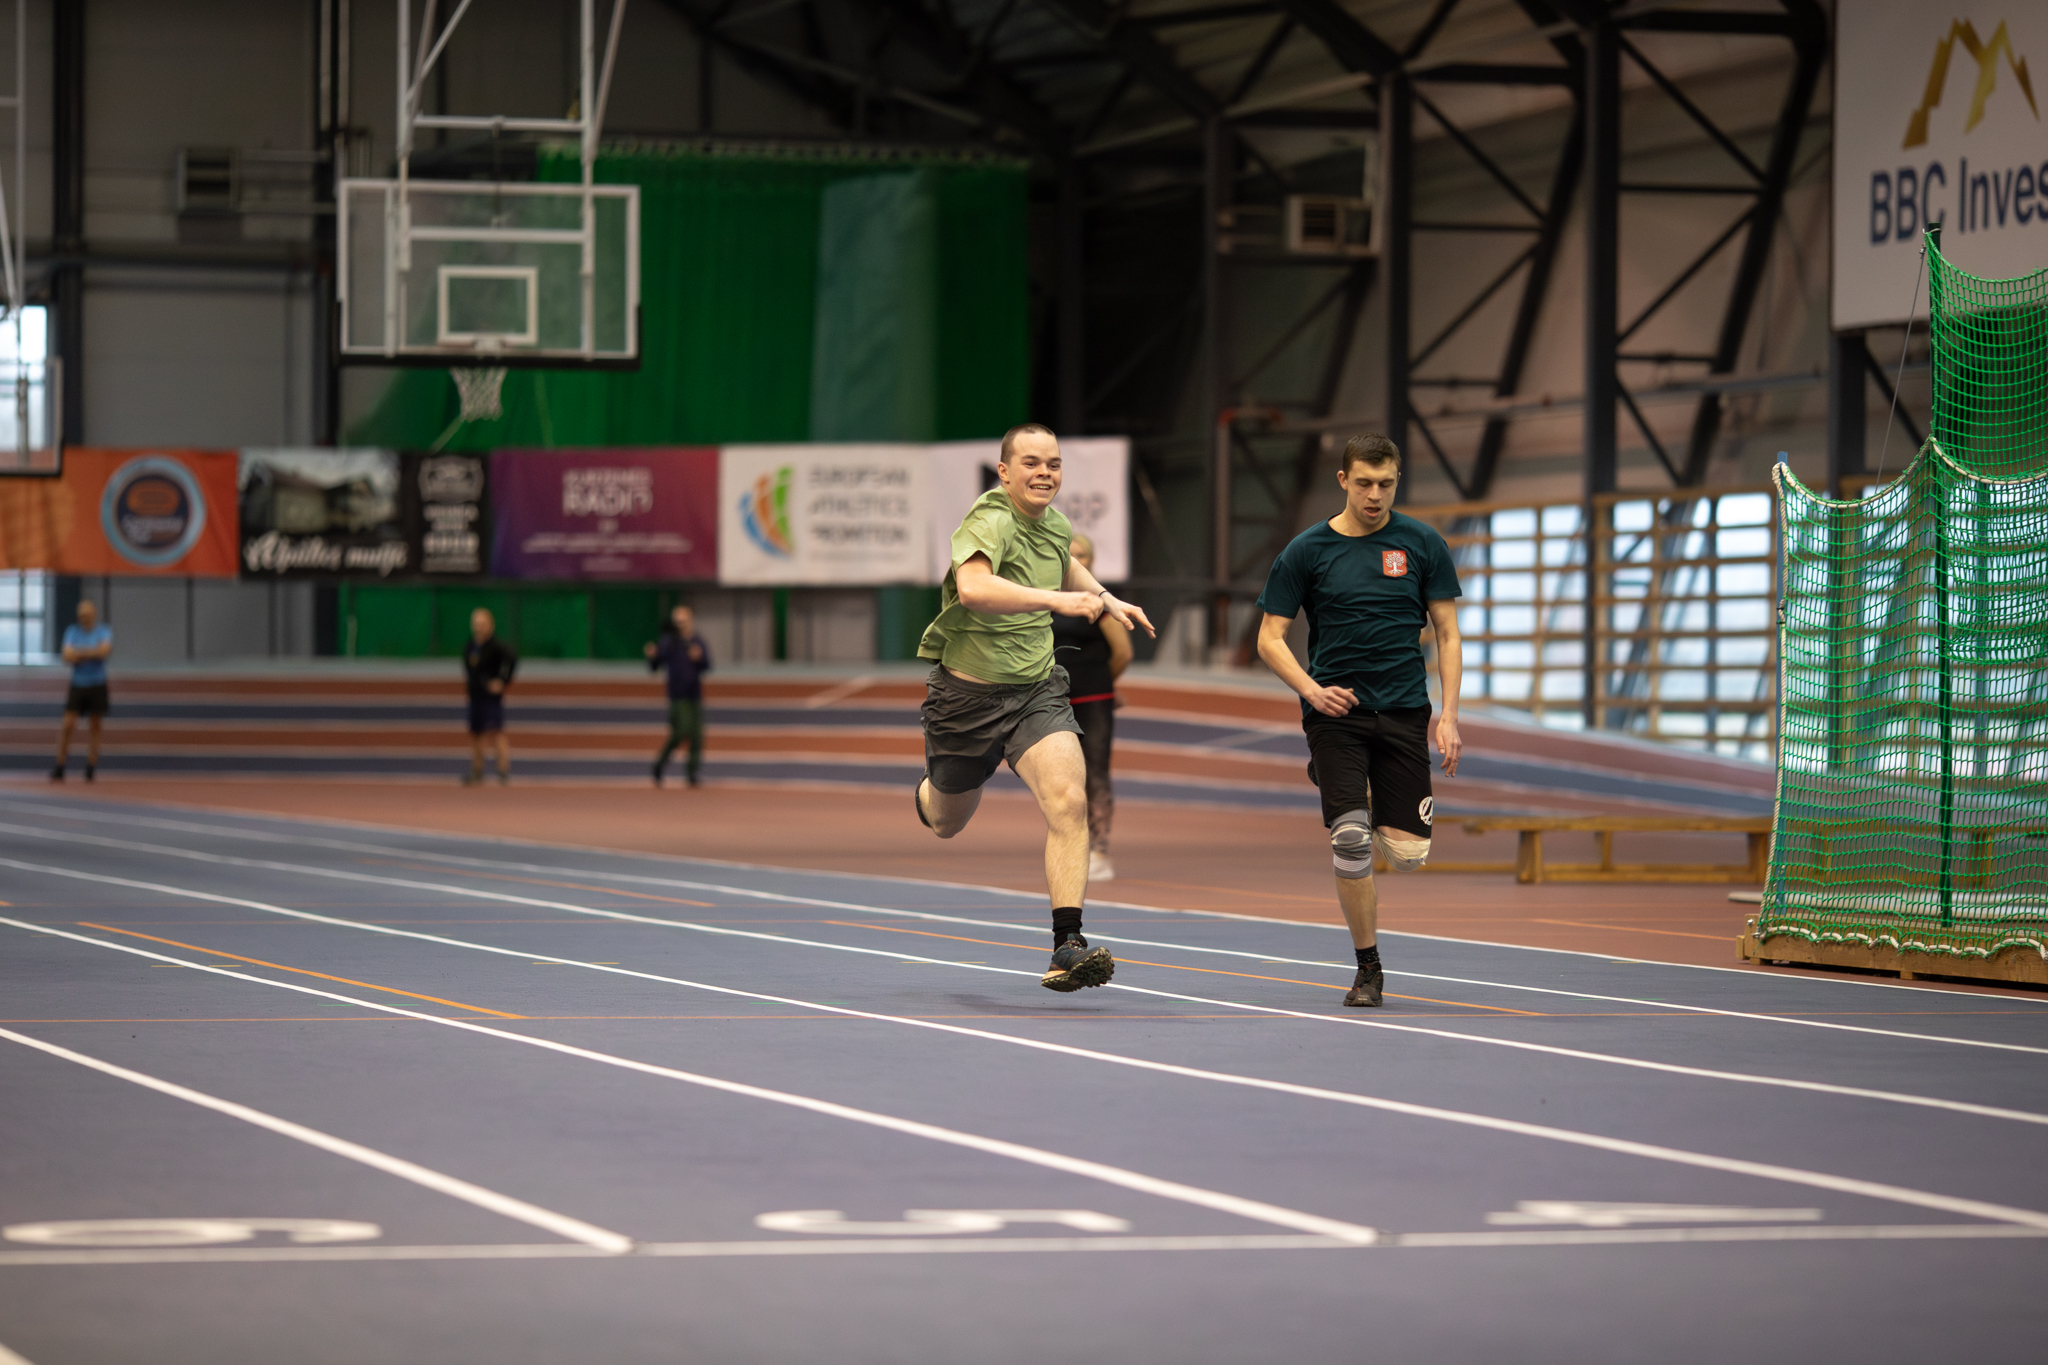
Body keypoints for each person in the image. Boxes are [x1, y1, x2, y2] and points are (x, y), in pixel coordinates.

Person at [915, 423, 1155, 992]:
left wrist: (1105, 597)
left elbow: (1066, 564)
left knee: (1069, 800)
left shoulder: (1056, 526)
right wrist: (1058, 601)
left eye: (1053, 463)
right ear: (1004, 472)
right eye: (1030, 463)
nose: (1044, 472)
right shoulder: (989, 520)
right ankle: (928, 792)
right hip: (967, 700)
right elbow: (974, 589)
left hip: (1035, 690)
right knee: (946, 822)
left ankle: (1067, 945)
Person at [1253, 433, 1463, 1009]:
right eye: (1364, 483)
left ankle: (1340, 781)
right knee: (1351, 841)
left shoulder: (1422, 543)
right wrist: (1311, 691)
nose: (1375, 495)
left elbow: (1447, 633)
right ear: (1343, 480)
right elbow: (1269, 639)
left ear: (1398, 481)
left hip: (1404, 711)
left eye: (1386, 484)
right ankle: (1368, 967)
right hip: (1336, 713)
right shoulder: (1306, 550)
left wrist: (1449, 715)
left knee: (1407, 856)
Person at [1050, 532, 1132, 881]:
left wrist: (1104, 684)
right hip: (1053, 700)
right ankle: (1071, 845)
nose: (1074, 560)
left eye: (1081, 555)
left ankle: (1099, 850)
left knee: (1095, 773)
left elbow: (1123, 652)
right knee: (1060, 777)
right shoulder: (1043, 599)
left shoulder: (1099, 602)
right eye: (1068, 554)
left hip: (1093, 698)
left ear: (1092, 562)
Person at [646, 603, 712, 788]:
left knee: (697, 735)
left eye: (683, 621)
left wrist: (699, 658)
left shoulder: (697, 641)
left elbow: (707, 665)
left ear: (690, 621)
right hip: (677, 695)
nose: (680, 625)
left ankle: (692, 773)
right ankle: (659, 764)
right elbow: (655, 666)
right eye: (677, 621)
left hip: (694, 695)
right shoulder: (669, 643)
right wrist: (652, 655)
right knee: (682, 731)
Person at [51, 600, 112, 783]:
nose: (83, 618)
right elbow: (67, 656)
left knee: (95, 725)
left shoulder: (103, 631)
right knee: (68, 724)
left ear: (93, 614)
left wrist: (79, 654)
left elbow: (104, 652)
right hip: (77, 685)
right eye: (81, 615)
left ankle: (91, 767)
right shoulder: (72, 631)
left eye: (86, 615)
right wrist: (92, 652)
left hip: (97, 684)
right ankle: (60, 766)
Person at [462, 607, 517, 786]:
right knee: (476, 734)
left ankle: (503, 771)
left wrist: (502, 680)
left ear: (490, 625)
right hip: (475, 696)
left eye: (482, 624)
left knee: (495, 731)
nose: (478, 627)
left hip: (490, 698)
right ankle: (477, 771)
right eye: (475, 623)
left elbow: (512, 659)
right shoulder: (470, 646)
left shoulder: (496, 646)